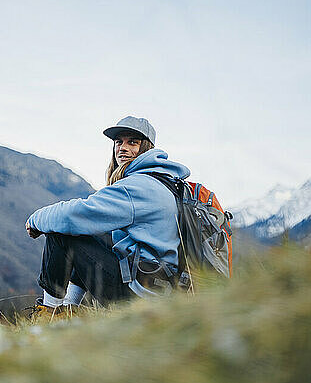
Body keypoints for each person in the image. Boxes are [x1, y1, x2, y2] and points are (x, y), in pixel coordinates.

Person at [25, 116, 190, 314]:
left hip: (140, 297)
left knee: (60, 233)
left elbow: (75, 214)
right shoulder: (164, 181)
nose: (123, 148)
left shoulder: (138, 186)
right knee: (89, 233)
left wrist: (36, 220)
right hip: (159, 288)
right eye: (118, 142)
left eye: (133, 142)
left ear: (147, 147)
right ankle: (69, 308)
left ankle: (48, 314)